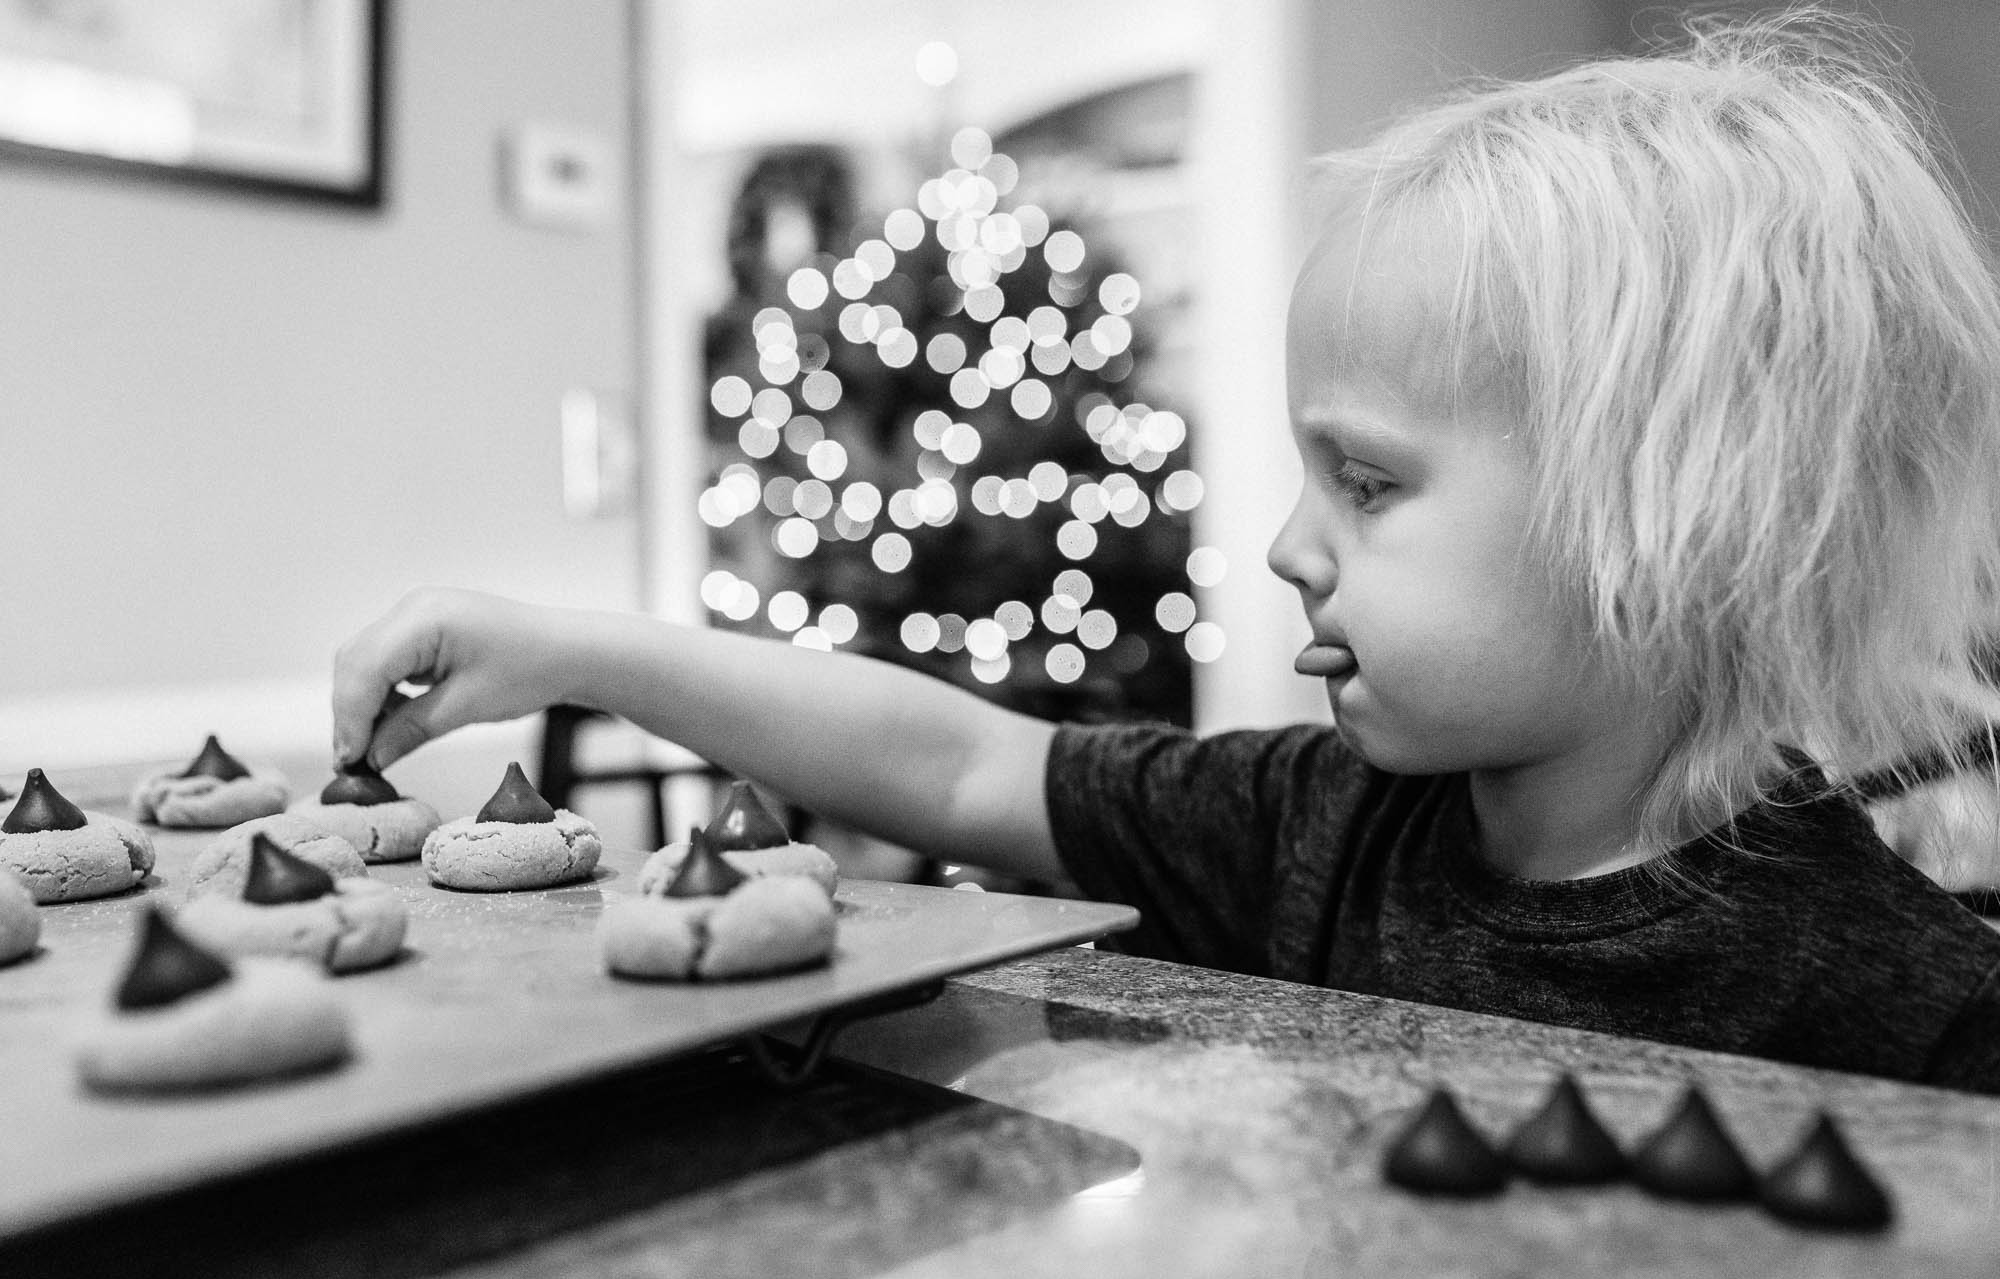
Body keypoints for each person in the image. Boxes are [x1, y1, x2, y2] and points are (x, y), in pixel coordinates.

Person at [332, 10, 2000, 1093]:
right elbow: (969, 769)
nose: (1288, 547)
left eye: (1369, 483)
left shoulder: (1914, 1015)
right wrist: (578, 652)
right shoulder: (1315, 829)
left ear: (1683, 527)